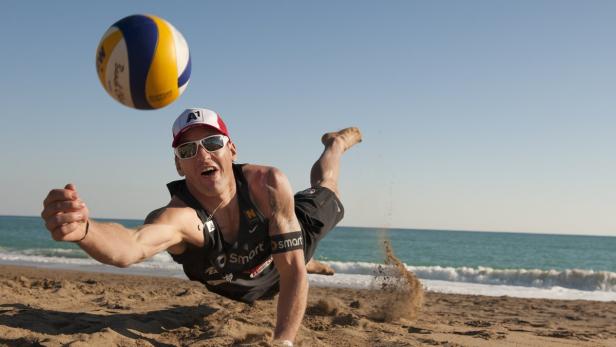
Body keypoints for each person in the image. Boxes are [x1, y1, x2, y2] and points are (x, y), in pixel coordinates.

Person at [41, 108, 362, 345]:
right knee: (288, 257)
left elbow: (292, 272)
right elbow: (132, 244)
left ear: (231, 149)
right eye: (187, 150)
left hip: (291, 246)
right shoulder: (182, 218)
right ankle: (301, 257)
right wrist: (85, 229)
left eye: (212, 142)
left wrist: (282, 341)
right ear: (179, 164)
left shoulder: (266, 185)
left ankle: (334, 144)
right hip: (238, 283)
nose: (202, 154)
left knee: (327, 186)